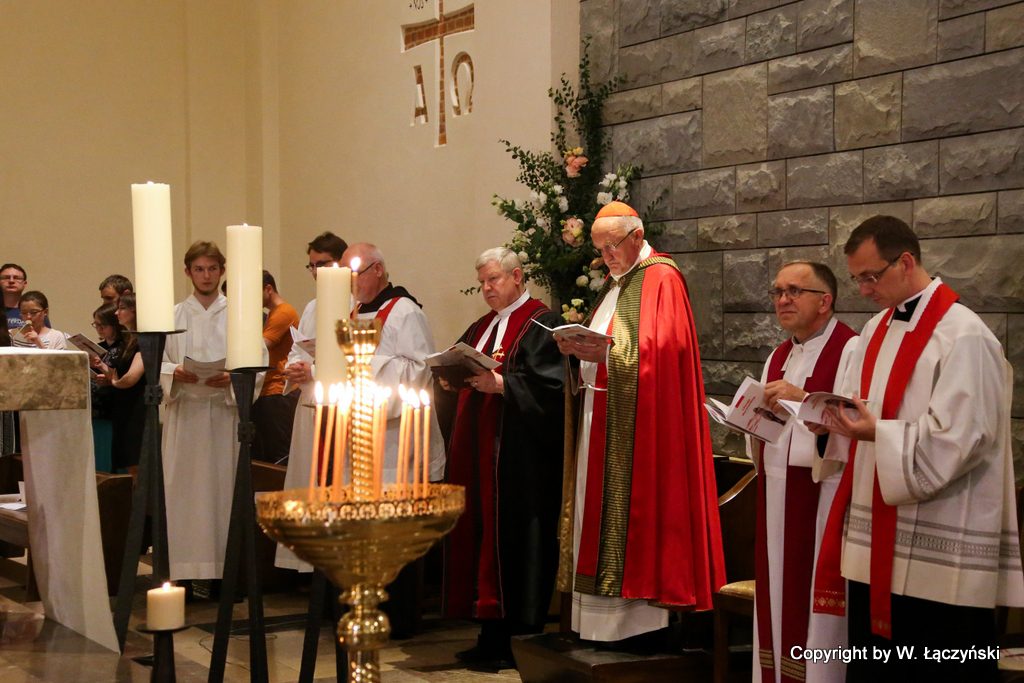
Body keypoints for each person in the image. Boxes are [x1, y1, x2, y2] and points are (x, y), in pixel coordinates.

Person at [811, 215, 1024, 682]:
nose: (864, 290)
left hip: (940, 547)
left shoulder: (964, 336)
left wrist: (878, 435)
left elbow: (963, 437)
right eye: (857, 279)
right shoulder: (873, 333)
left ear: (906, 261)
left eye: (872, 276)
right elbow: (857, 411)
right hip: (874, 546)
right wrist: (830, 424)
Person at [556, 201, 725, 645]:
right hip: (600, 416)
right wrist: (577, 354)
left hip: (640, 430)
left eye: (611, 246)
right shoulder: (618, 284)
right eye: (599, 250)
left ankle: (636, 627)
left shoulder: (661, 278)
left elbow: (664, 355)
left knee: (633, 518)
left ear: (637, 236)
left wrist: (607, 355)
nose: (606, 256)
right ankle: (593, 624)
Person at [441, 247, 565, 670]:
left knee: (517, 543)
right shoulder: (481, 326)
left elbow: (553, 389)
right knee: (480, 539)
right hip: (481, 455)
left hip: (520, 462)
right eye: (482, 282)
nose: (487, 289)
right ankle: (488, 633)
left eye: (493, 280)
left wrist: (503, 385)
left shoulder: (542, 323)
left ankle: (518, 637)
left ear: (516, 276)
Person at [748, 262, 858, 683]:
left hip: (823, 494)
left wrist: (804, 397)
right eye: (778, 291)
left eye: (795, 291)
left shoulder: (850, 349)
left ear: (825, 301)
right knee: (776, 591)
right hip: (776, 492)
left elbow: (856, 421)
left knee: (813, 602)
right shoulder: (778, 355)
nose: (783, 300)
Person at [160, 241, 261, 581]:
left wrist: (235, 379)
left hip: (222, 414)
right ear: (188, 272)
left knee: (223, 491)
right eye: (199, 269)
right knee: (183, 494)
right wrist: (172, 373)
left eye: (212, 268)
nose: (206, 276)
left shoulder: (240, 313)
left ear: (222, 270)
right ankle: (184, 573)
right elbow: (156, 361)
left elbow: (257, 364)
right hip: (185, 413)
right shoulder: (173, 315)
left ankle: (224, 571)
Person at [276, 230, 348, 571]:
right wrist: (294, 367)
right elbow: (297, 347)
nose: (318, 271)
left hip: (340, 403)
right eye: (313, 265)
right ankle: (307, 562)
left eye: (325, 264)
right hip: (308, 400)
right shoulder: (312, 306)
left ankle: (332, 558)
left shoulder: (356, 303)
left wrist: (317, 369)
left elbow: (357, 357)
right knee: (309, 477)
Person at [93, 292, 145, 477]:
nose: (117, 313)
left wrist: (113, 381)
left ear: (135, 311)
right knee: (127, 463)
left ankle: (139, 505)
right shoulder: (128, 339)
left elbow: (131, 377)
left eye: (122, 308)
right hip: (122, 406)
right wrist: (104, 369)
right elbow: (118, 375)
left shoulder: (143, 339)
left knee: (135, 463)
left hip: (136, 407)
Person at [252, 270, 299, 464]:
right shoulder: (274, 313)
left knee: (279, 456)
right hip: (270, 390)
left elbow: (260, 347)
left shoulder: (283, 312)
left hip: (277, 390)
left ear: (268, 289)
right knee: (269, 455)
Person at [89, 303, 124, 473]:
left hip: (114, 408)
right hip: (96, 408)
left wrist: (108, 377)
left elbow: (123, 376)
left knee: (111, 457)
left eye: (103, 325)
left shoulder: (124, 347)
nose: (99, 329)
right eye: (96, 324)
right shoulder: (99, 347)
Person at [2, 264, 29, 330]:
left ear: (24, 284)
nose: (11, 281)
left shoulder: (35, 311)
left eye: (17, 278)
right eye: (6, 277)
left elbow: (45, 338)